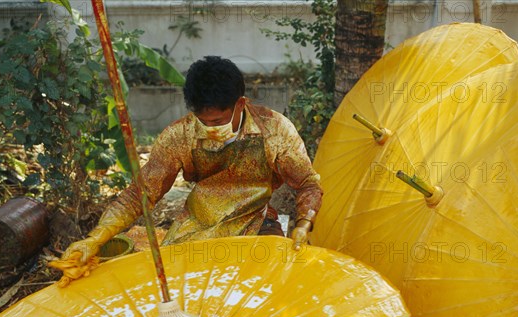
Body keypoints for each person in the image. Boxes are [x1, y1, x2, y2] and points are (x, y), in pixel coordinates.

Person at [59, 55, 322, 272]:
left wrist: (303, 224)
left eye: (217, 121)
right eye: (202, 121)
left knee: (269, 277)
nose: (209, 129)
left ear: (240, 104)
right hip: (198, 224)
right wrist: (95, 238)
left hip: (255, 221)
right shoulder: (179, 135)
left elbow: (308, 184)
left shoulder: (274, 129)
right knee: (174, 284)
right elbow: (139, 195)